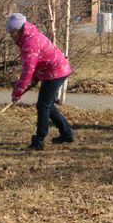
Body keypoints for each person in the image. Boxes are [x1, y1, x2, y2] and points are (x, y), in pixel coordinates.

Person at [6, 13, 74, 150]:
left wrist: (17, 92)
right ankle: (66, 133)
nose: (11, 36)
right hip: (54, 70)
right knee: (48, 105)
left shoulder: (30, 43)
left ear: (18, 30)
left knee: (42, 105)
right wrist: (34, 80)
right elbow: (37, 64)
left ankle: (39, 140)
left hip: (56, 72)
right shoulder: (29, 35)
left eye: (12, 33)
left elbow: (27, 72)